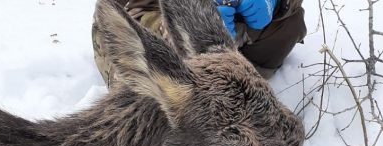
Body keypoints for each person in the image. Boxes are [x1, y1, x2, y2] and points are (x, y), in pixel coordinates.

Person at [92, 0, 306, 85]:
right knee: (150, 104)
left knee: (290, 25)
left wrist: (276, 3)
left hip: (230, 25)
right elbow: (131, 11)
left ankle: (241, 83)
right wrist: (192, 24)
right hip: (148, 20)